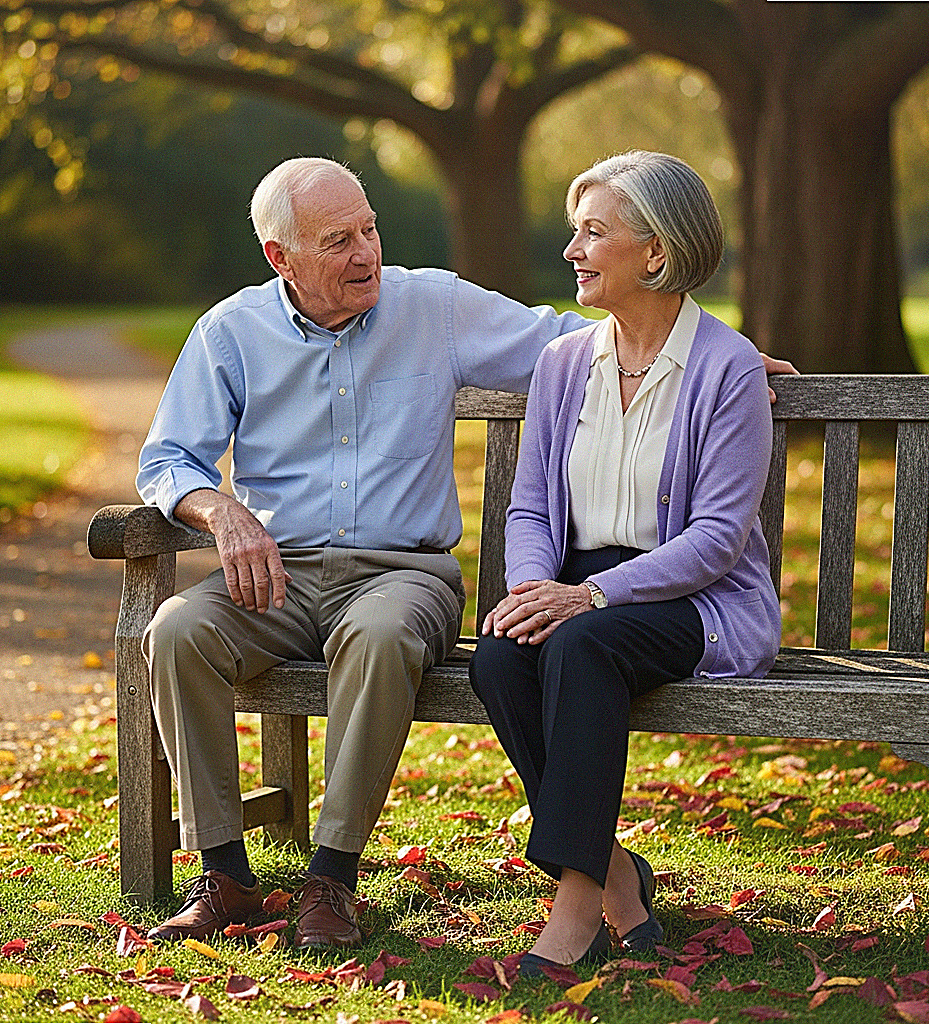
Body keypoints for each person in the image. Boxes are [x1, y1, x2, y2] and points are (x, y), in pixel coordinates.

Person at [137, 156, 794, 949]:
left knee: (385, 638)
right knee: (173, 629)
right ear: (282, 258)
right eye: (339, 241)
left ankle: (331, 880)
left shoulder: (434, 307)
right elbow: (167, 459)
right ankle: (226, 875)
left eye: (370, 230)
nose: (366, 254)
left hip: (400, 575)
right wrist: (219, 511)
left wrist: (722, 352)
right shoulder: (232, 332)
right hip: (276, 571)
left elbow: (579, 334)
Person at [468, 150, 782, 978]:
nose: (573, 249)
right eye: (577, 231)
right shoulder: (565, 363)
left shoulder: (727, 369)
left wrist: (591, 596)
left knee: (580, 644)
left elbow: (717, 540)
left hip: (696, 597)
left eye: (593, 231)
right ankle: (614, 874)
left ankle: (575, 906)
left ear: (658, 251)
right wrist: (539, 589)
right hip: (580, 584)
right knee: (502, 652)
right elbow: (530, 508)